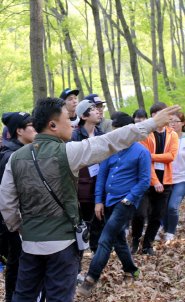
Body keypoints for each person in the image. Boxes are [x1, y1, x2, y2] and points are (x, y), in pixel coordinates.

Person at [0, 97, 180, 302]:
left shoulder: (15, 158)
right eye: (68, 118)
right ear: (53, 125)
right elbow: (111, 141)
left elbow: (7, 204)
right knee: (59, 297)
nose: (73, 123)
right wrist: (152, 124)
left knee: (24, 296)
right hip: (63, 245)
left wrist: (23, 229)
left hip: (30, 245)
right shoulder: (68, 152)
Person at [76, 113, 151, 297]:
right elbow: (101, 176)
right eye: (114, 132)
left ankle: (91, 278)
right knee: (117, 239)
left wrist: (129, 199)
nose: (116, 136)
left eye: (119, 132)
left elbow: (144, 181)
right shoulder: (111, 151)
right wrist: (99, 201)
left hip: (125, 203)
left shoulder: (142, 152)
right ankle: (131, 270)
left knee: (106, 237)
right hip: (108, 201)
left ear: (129, 132)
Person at [0, 112, 36, 302]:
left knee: (17, 262)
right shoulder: (11, 156)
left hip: (21, 221)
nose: (35, 128)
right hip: (15, 222)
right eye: (31, 125)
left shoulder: (23, 151)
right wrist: (16, 224)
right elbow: (8, 196)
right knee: (19, 263)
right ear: (19, 131)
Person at [131, 102, 178, 255]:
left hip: (166, 180)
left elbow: (171, 156)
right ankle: (136, 238)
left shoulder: (172, 134)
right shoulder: (145, 134)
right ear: (153, 116)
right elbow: (144, 161)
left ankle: (148, 245)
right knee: (139, 214)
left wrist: (150, 156)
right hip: (145, 181)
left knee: (157, 216)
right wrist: (155, 181)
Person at [71, 100, 105, 258]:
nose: (98, 111)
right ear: (83, 116)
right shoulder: (75, 136)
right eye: (92, 109)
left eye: (98, 109)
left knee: (99, 220)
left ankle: (96, 250)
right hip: (81, 187)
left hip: (100, 185)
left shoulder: (102, 135)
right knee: (83, 220)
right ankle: (79, 251)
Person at [162, 112, 185, 240]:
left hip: (182, 179)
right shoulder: (165, 137)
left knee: (173, 206)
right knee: (164, 206)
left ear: (183, 123)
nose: (173, 124)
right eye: (171, 121)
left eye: (176, 121)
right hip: (166, 178)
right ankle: (166, 231)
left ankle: (170, 233)